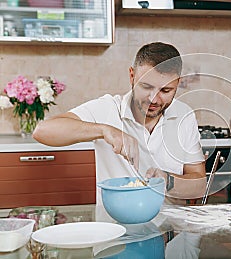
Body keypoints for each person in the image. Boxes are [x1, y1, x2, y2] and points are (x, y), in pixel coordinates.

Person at [33, 42, 206, 220]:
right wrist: (104, 130)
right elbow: (42, 131)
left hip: (171, 231)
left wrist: (167, 181)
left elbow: (199, 185)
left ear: (178, 83)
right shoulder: (107, 108)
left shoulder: (184, 115)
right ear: (132, 76)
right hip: (113, 229)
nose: (154, 98)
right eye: (146, 87)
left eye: (166, 90)